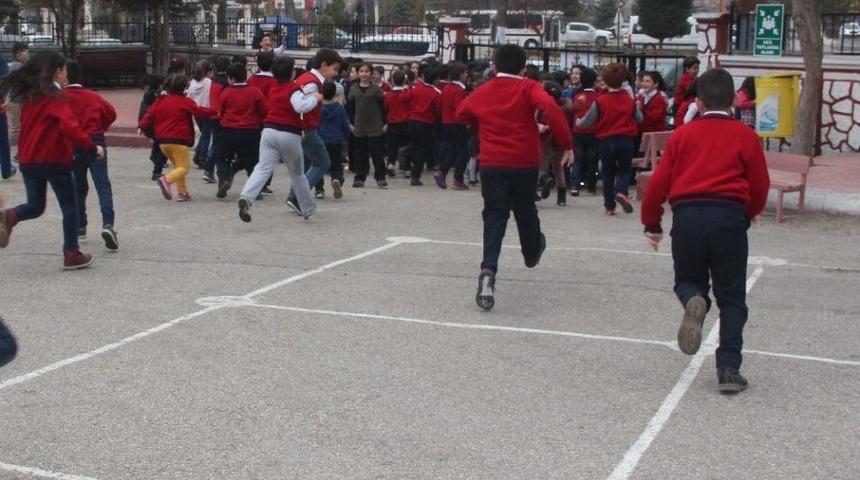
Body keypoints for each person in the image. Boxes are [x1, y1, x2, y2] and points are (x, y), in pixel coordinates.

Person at [641, 68, 770, 394]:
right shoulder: (746, 136)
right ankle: (728, 367)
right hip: (727, 216)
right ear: (732, 101)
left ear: (698, 101)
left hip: (687, 216)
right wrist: (749, 213)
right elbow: (759, 184)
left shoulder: (683, 136)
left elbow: (659, 183)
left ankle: (694, 299)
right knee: (733, 297)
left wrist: (652, 223)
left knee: (686, 279)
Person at [456, 44, 573, 311]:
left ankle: (488, 270)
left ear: (494, 66)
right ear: (523, 68)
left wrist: (480, 126)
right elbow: (552, 110)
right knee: (525, 210)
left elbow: (461, 113)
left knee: (495, 214)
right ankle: (531, 253)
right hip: (523, 161)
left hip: (492, 162)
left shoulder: (484, 90)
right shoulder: (529, 87)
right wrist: (565, 142)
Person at [0, 50, 105, 269]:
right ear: (58, 72)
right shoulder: (56, 98)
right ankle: (71, 253)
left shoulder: (30, 96)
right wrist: (91, 147)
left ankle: (9, 216)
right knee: (70, 206)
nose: (66, 73)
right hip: (54, 159)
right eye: (64, 69)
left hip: (28, 159)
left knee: (35, 205)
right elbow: (70, 127)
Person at [237, 56, 316, 222]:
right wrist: (314, 98)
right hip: (289, 133)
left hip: (269, 131)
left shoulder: (273, 88)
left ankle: (247, 196)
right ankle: (307, 207)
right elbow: (300, 106)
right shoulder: (293, 89)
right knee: (297, 174)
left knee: (263, 167)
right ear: (292, 72)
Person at [63, 59, 119, 251]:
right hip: (96, 141)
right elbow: (111, 113)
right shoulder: (92, 96)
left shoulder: (61, 97)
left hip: (74, 144)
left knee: (78, 186)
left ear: (64, 76)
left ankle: (80, 225)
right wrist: (101, 127)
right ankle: (108, 224)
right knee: (102, 184)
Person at [576, 63, 642, 216]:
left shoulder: (601, 100)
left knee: (608, 173)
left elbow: (587, 121)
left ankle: (609, 206)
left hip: (606, 141)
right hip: (625, 140)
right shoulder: (628, 100)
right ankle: (622, 192)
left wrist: (579, 122)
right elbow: (640, 118)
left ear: (605, 80)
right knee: (625, 170)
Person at [284, 48, 344, 215]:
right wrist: (302, 126)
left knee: (305, 165)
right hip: (306, 129)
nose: (335, 74)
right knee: (323, 162)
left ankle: (292, 196)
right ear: (324, 65)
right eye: (335, 69)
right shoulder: (313, 82)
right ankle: (297, 197)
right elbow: (301, 106)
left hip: (302, 128)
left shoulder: (305, 78)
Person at [139, 74, 216, 202]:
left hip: (162, 142)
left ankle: (183, 193)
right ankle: (167, 180)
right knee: (184, 167)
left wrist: (142, 126)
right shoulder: (186, 102)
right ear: (184, 88)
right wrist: (215, 111)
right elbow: (200, 112)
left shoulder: (161, 101)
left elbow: (149, 114)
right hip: (178, 140)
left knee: (178, 166)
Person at [215, 62, 269, 199]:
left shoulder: (226, 92)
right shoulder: (255, 91)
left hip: (229, 130)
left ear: (231, 78)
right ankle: (255, 190)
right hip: (250, 131)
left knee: (222, 157)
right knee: (252, 161)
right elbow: (265, 110)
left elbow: (220, 112)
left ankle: (224, 179)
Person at [347, 62, 388, 189]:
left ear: (371, 74)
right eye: (361, 71)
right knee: (360, 154)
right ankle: (359, 178)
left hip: (375, 125)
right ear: (358, 73)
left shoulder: (376, 89)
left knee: (377, 153)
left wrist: (385, 123)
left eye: (366, 71)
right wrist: (350, 124)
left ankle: (380, 177)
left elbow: (383, 108)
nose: (364, 74)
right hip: (359, 125)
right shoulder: (353, 89)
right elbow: (350, 109)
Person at [435, 61, 469, 190]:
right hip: (457, 123)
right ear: (460, 74)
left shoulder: (447, 88)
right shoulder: (460, 90)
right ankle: (458, 178)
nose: (466, 75)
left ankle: (442, 172)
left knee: (451, 149)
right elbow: (460, 109)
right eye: (465, 73)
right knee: (462, 151)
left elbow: (439, 106)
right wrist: (466, 122)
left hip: (446, 122)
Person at [407, 64, 441, 185]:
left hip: (411, 120)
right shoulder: (436, 92)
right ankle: (415, 176)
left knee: (413, 145)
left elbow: (408, 100)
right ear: (436, 79)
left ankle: (407, 162)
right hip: (426, 123)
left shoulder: (415, 88)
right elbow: (438, 110)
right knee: (421, 149)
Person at [570, 66, 599, 196]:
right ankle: (591, 185)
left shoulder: (578, 96)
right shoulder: (598, 97)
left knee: (578, 158)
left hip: (578, 131)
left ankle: (575, 185)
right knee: (592, 158)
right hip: (593, 131)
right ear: (594, 82)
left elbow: (573, 110)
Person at [319, 81, 352, 197]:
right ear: (335, 94)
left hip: (321, 139)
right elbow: (345, 125)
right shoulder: (339, 108)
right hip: (336, 140)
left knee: (319, 165)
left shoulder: (319, 108)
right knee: (336, 164)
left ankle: (319, 190)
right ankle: (336, 179)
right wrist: (346, 136)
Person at [384, 70, 412, 176]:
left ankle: (390, 164)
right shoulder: (407, 93)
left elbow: (386, 108)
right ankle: (407, 168)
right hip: (406, 123)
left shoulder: (389, 95)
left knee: (392, 146)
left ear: (392, 80)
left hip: (392, 123)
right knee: (406, 147)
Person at [139, 73, 166, 181]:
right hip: (156, 124)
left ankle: (154, 156)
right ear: (160, 85)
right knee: (162, 149)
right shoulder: (158, 95)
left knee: (157, 142)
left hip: (148, 124)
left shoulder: (147, 93)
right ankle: (157, 171)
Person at [187, 60, 214, 169]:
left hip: (196, 111)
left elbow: (189, 95)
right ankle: (202, 157)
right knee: (206, 135)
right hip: (206, 110)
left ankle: (198, 154)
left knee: (204, 134)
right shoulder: (208, 82)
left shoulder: (193, 82)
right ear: (208, 72)